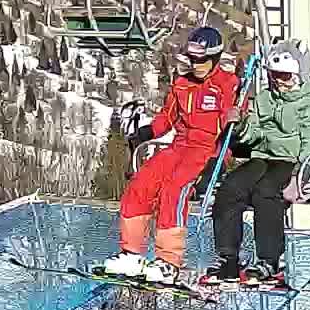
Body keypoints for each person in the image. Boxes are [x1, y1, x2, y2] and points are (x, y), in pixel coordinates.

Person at [102, 26, 239, 283]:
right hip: (179, 146)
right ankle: (132, 253)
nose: (196, 65)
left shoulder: (226, 84)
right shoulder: (182, 84)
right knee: (141, 184)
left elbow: (232, 126)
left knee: (174, 190)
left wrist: (233, 125)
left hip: (206, 150)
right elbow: (167, 118)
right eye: (192, 59)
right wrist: (146, 133)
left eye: (202, 60)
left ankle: (168, 261)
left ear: (215, 58)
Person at [204, 44, 310, 288]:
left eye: (283, 76)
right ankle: (228, 258)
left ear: (297, 76)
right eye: (273, 75)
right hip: (263, 157)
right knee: (231, 187)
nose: (278, 82)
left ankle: (270, 260)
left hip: (291, 161)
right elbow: (255, 135)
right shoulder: (265, 99)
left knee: (267, 192)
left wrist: (297, 177)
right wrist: (240, 125)